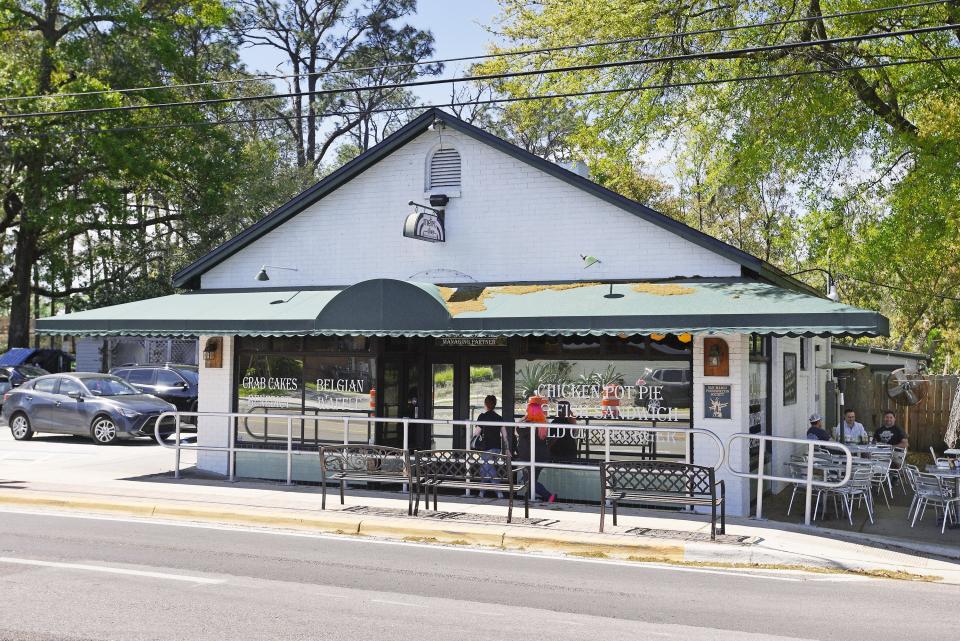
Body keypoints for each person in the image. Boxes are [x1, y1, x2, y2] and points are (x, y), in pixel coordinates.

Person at [515, 397, 556, 503]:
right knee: (532, 480)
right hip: (541, 456)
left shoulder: (527, 425)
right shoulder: (543, 424)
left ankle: (549, 496)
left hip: (528, 456)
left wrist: (523, 418)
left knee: (529, 481)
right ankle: (529, 499)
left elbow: (518, 430)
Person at [473, 395, 509, 499]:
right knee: (485, 469)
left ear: (485, 404)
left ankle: (499, 493)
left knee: (488, 469)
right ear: (494, 405)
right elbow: (505, 435)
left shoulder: (482, 417)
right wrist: (507, 449)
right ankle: (481, 493)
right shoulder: (499, 418)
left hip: (486, 448)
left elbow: (476, 433)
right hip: (497, 448)